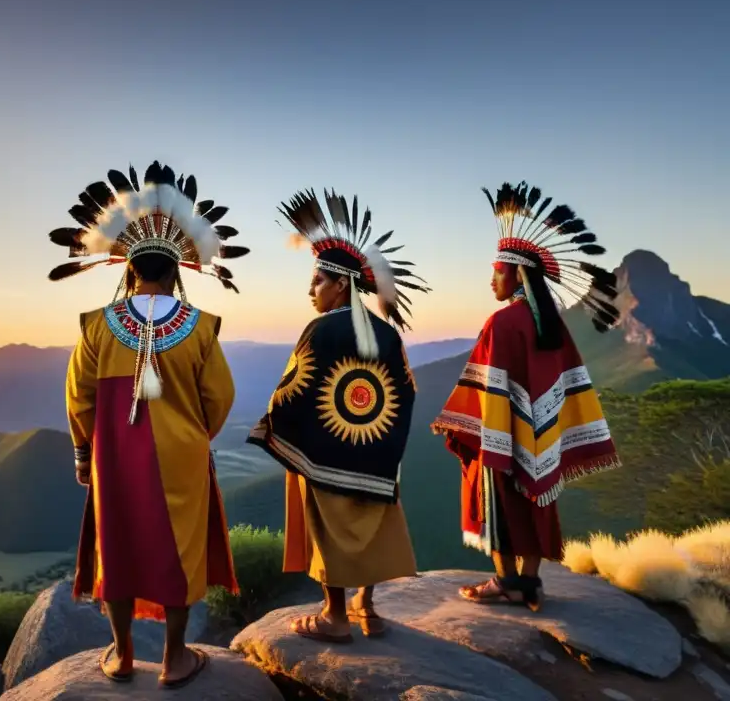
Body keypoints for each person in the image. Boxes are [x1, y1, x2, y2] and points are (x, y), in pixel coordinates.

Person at [48, 161, 249, 687]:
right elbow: (220, 398)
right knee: (178, 549)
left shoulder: (96, 325)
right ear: (176, 266)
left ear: (129, 268)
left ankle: (121, 653)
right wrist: (190, 435)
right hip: (180, 458)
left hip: (114, 458)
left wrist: (82, 453)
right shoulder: (201, 327)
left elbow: (79, 397)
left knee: (117, 545)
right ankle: (176, 658)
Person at [247, 188, 431, 643]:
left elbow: (295, 388)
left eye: (316, 281)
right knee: (370, 521)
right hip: (376, 450)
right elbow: (406, 390)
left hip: (328, 452)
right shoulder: (387, 335)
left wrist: (274, 422)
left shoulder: (321, 330)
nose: (310, 290)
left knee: (328, 522)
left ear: (338, 284)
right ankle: (365, 604)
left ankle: (335, 616)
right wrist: (380, 440)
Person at [431, 181, 622, 611]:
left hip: (501, 431)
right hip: (543, 439)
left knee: (497, 497)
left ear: (516, 274)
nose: (491, 279)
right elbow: (569, 382)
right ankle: (530, 583)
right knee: (538, 498)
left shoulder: (502, 322)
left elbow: (483, 387)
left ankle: (505, 581)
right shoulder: (550, 322)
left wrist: (465, 424)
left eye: (497, 271)